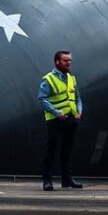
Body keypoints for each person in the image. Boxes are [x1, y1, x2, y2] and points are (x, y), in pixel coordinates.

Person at [38, 50, 83, 191]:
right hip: (55, 120)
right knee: (52, 150)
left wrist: (79, 112)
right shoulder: (48, 79)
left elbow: (77, 97)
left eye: (69, 60)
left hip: (71, 118)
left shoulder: (71, 78)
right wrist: (56, 113)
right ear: (57, 61)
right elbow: (42, 98)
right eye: (65, 60)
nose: (68, 63)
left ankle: (66, 179)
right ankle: (47, 180)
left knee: (67, 150)